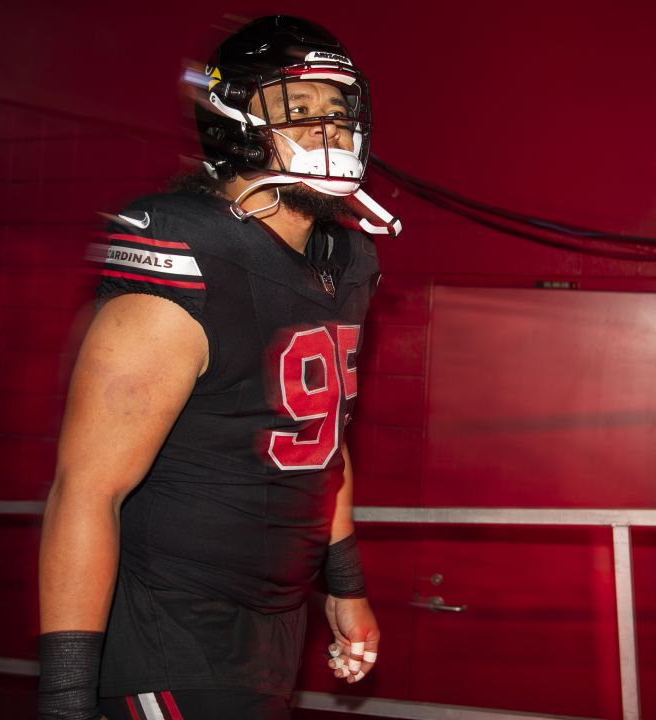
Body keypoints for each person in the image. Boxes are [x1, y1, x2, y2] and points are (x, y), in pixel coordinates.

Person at [37, 15, 401, 720]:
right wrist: (64, 700)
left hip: (271, 626)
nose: (329, 132)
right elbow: (87, 491)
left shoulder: (344, 260)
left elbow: (320, 436)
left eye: (337, 111)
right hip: (171, 629)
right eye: (299, 111)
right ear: (234, 122)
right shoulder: (191, 253)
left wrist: (345, 586)